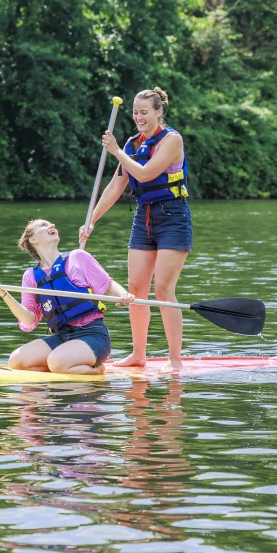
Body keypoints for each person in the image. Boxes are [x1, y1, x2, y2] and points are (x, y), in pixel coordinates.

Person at [79, 87, 192, 370]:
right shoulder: (131, 144)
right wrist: (91, 219)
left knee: (164, 290)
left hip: (173, 217)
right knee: (136, 290)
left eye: (144, 112)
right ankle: (139, 355)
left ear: (158, 112)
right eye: (135, 112)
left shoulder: (171, 140)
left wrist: (116, 150)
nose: (138, 117)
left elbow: (145, 173)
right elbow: (117, 185)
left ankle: (175, 360)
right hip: (144, 218)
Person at [0, 219, 133, 376]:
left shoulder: (78, 257)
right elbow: (28, 320)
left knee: (56, 361)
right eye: (43, 225)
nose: (51, 225)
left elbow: (107, 284)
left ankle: (95, 370)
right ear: (33, 239)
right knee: (17, 361)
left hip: (93, 334)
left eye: (50, 224)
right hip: (62, 337)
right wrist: (4, 295)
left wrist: (123, 294)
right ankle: (63, 367)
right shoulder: (31, 276)